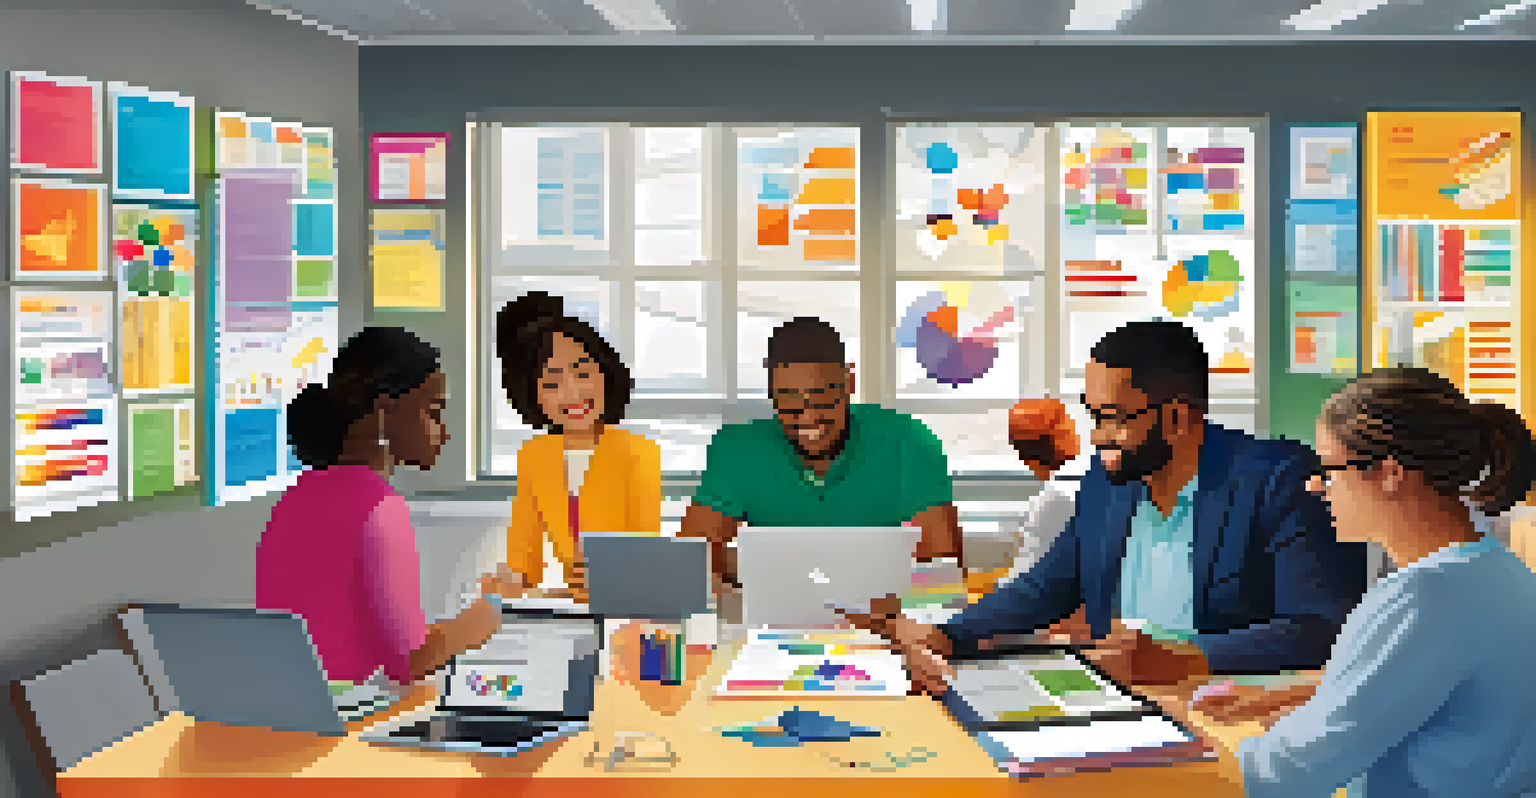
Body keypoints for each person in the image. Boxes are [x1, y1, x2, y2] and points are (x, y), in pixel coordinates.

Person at [847, 320, 1368, 690]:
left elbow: (1322, 627)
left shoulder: (1278, 479)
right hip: (1118, 698)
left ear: (1178, 419)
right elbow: (1048, 585)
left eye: (1115, 417)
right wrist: (945, 635)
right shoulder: (1110, 480)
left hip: (1224, 703)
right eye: (1093, 414)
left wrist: (1185, 659)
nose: (1098, 437)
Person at [1198, 367, 1536, 798]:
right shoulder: (1501, 573)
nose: (1315, 485)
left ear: (1390, 474)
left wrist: (1201, 745)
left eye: (1328, 467)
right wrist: (1299, 695)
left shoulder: (1423, 599)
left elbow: (1292, 772)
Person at [258, 327, 502, 687]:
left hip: (301, 707)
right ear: (385, 414)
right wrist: (490, 611)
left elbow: (365, 637)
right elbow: (409, 662)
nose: (444, 432)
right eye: (433, 412)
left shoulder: (297, 496)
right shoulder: (379, 507)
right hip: (356, 716)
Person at [681, 316, 962, 589]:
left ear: (849, 383)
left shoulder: (908, 441)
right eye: (790, 402)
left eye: (823, 400)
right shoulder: (738, 448)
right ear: (772, 394)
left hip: (886, 622)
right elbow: (690, 559)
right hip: (772, 624)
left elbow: (940, 571)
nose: (808, 418)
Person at [483, 291, 661, 599]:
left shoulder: (638, 453)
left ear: (605, 372)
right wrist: (509, 580)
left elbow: (644, 555)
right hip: (574, 610)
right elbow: (524, 556)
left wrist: (608, 581)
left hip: (628, 606)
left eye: (582, 372)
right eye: (552, 383)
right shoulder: (534, 456)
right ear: (532, 395)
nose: (573, 392)